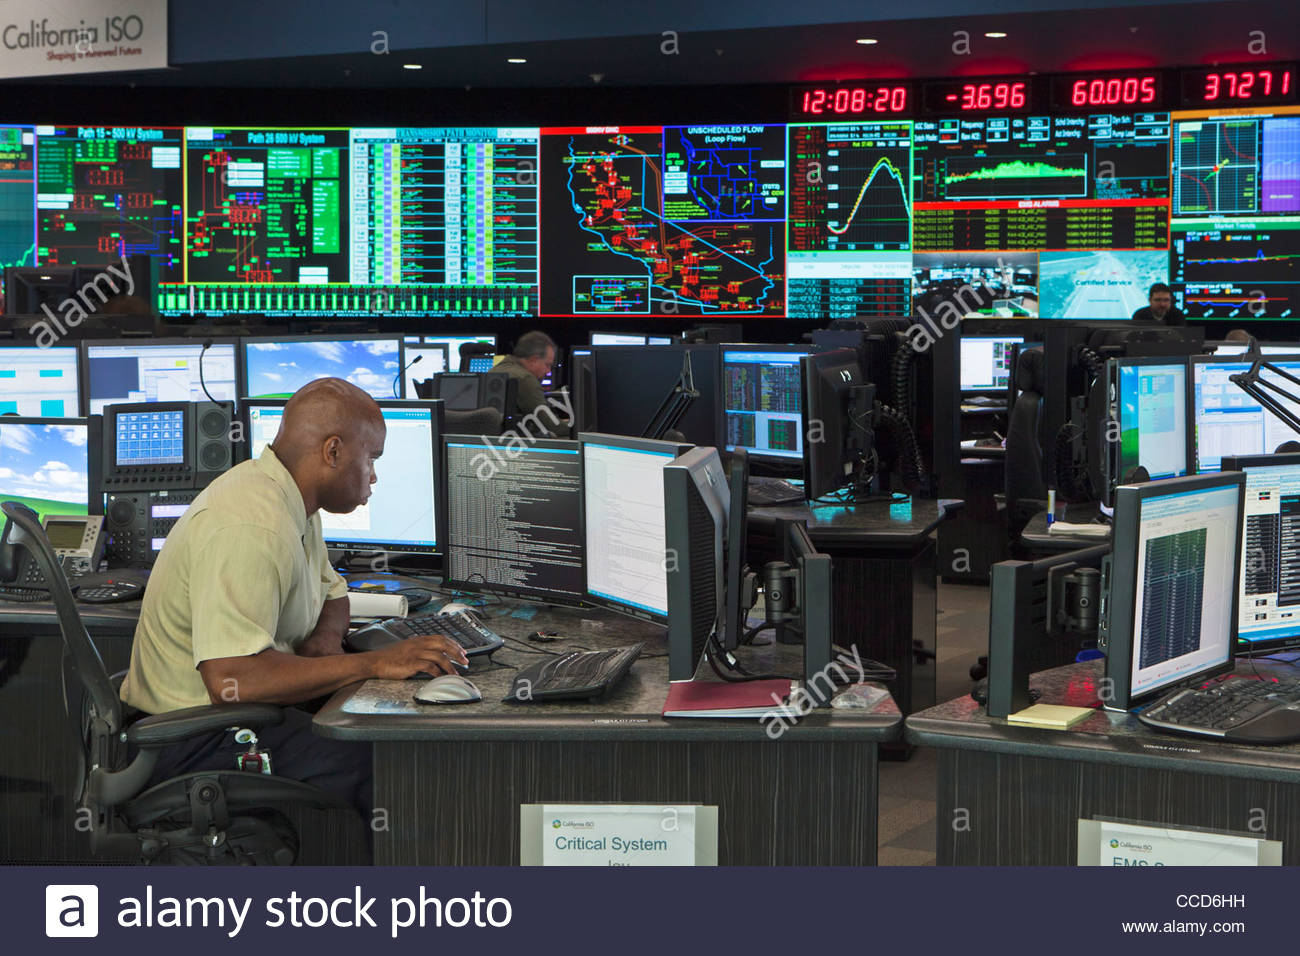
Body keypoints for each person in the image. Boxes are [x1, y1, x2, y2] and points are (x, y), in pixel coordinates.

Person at [119, 378, 468, 832]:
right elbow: (232, 679)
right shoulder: (252, 526)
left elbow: (333, 593)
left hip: (230, 717)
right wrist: (377, 664)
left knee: (389, 739)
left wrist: (324, 645)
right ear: (333, 452)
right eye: (373, 458)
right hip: (195, 737)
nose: (375, 475)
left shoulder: (292, 498)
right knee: (396, 768)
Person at [493, 330, 566, 436]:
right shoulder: (525, 379)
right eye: (547, 365)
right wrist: (578, 428)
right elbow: (552, 426)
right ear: (534, 360)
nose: (548, 371)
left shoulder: (496, 370)